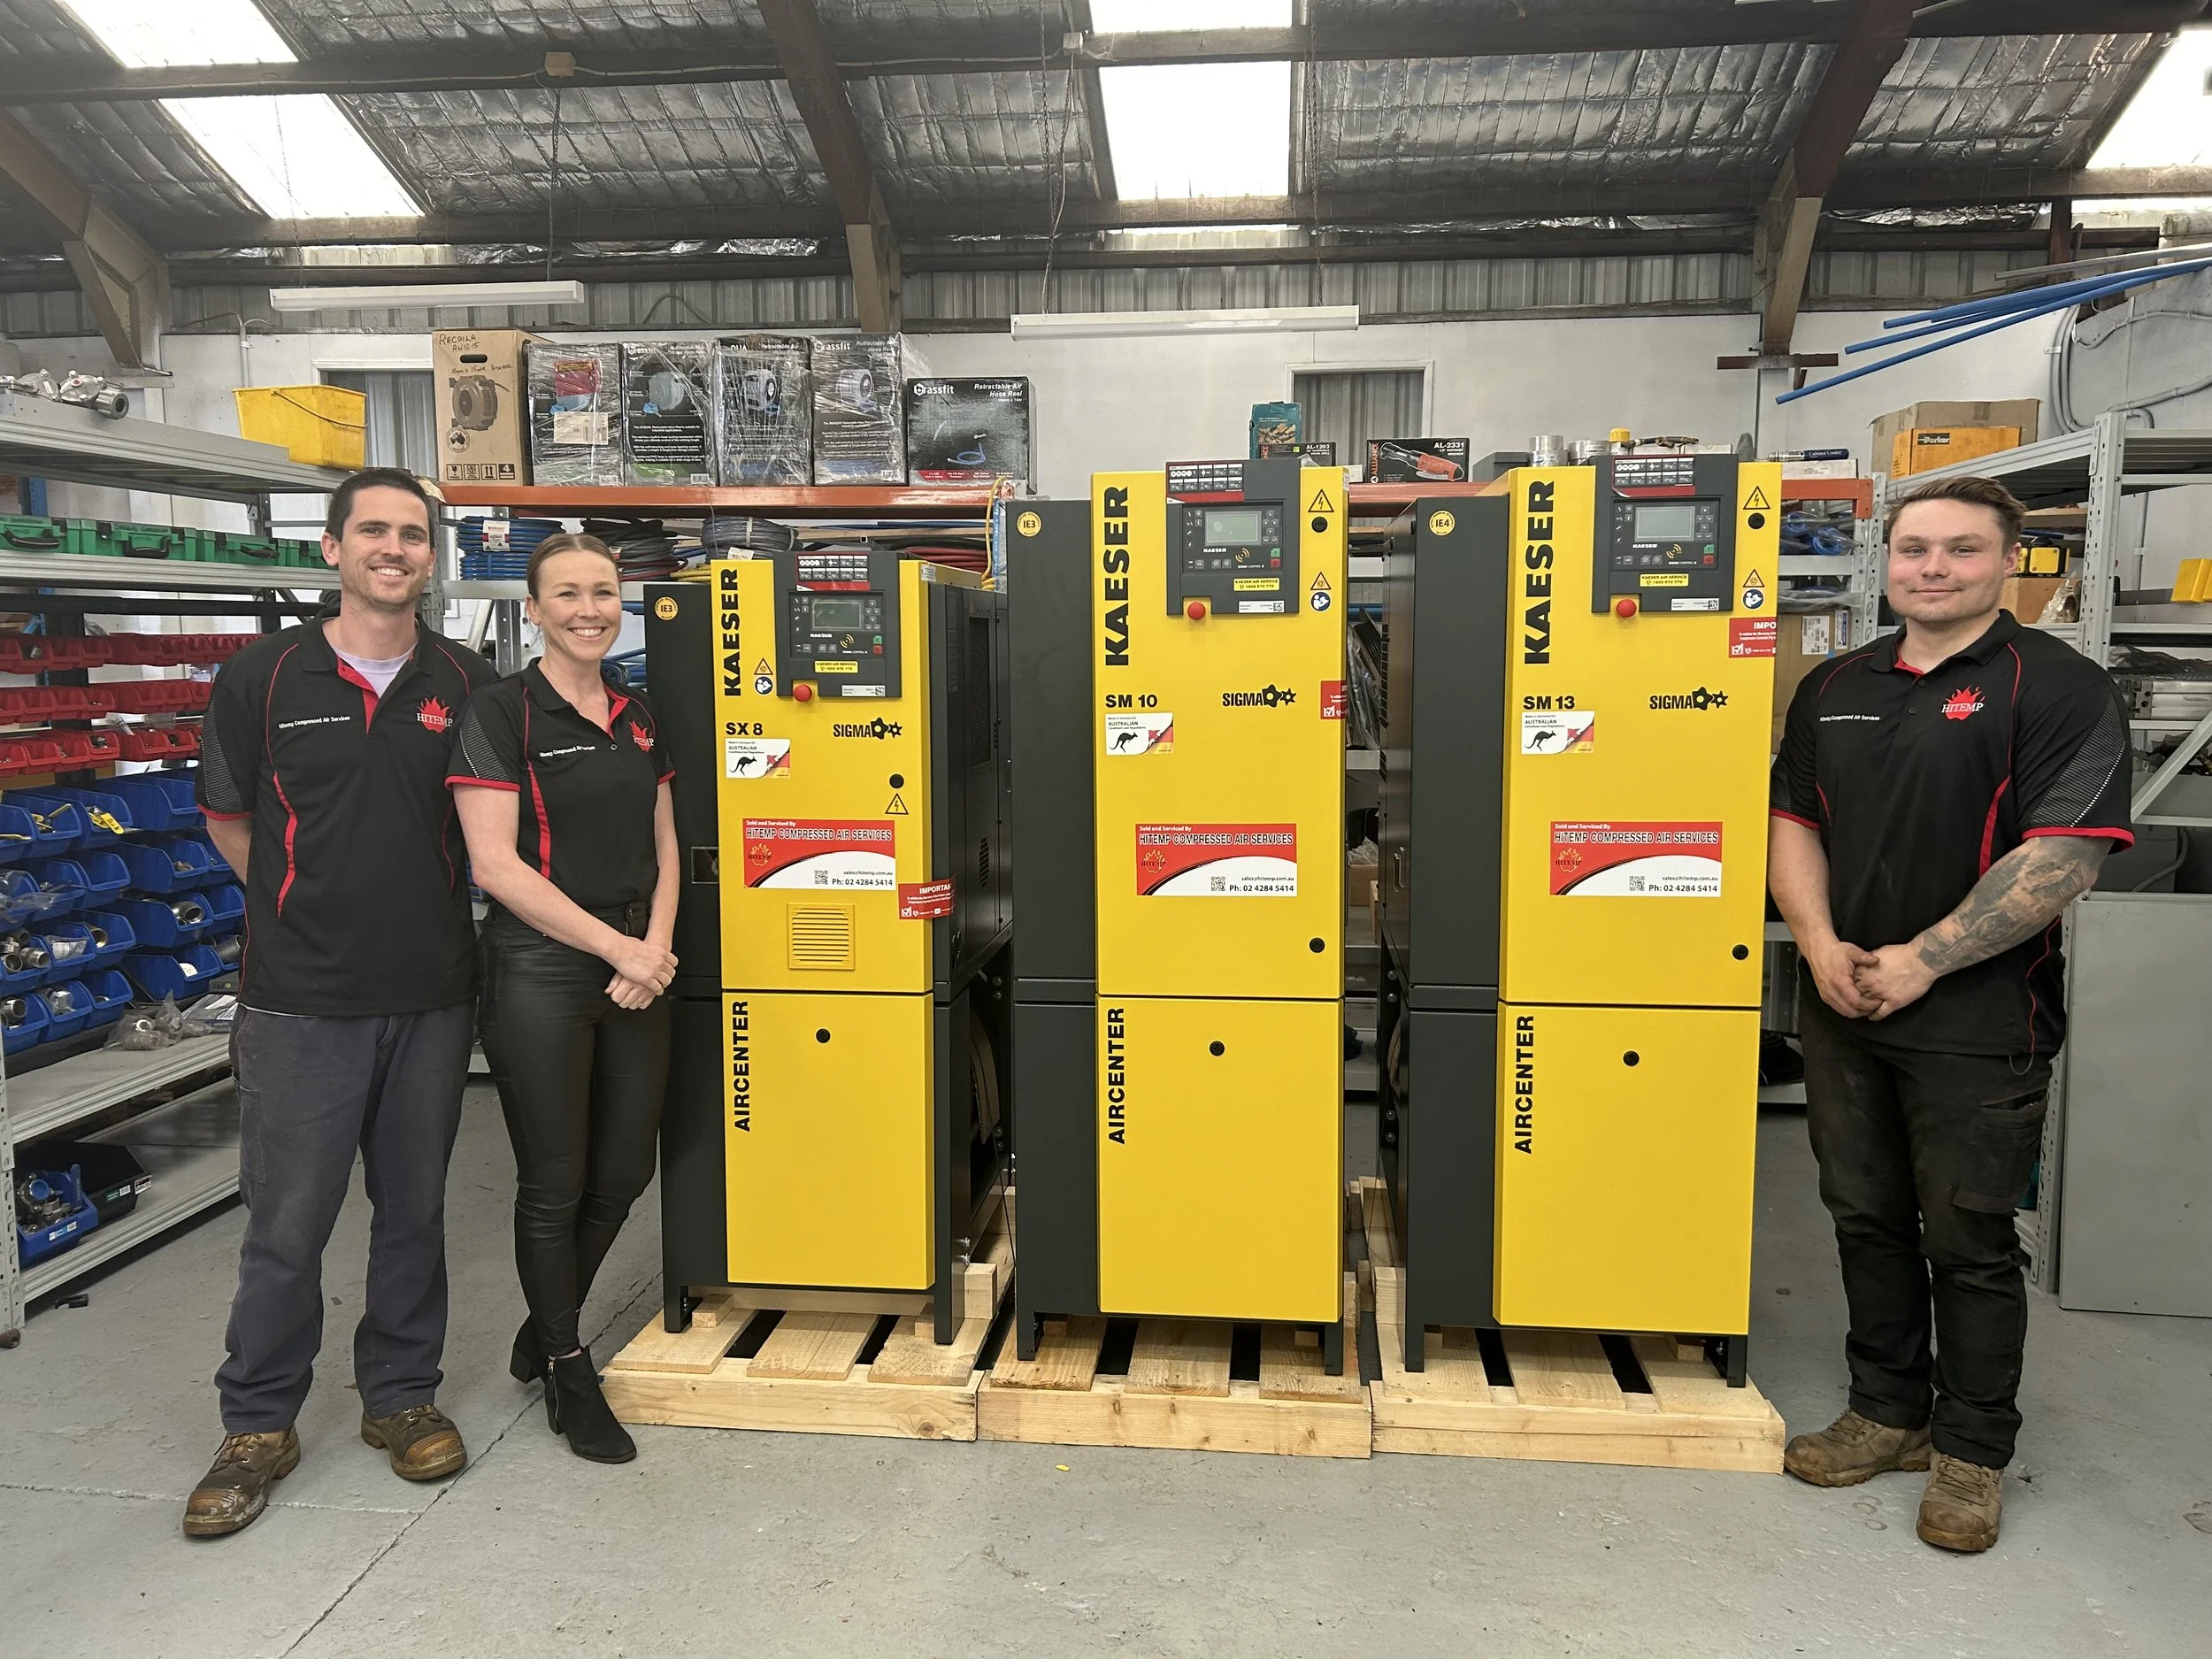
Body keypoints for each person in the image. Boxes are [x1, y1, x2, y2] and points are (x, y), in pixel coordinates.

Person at [1768, 474, 2133, 1554]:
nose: (1933, 568)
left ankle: (1971, 1453)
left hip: (1978, 1018)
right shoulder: (1836, 680)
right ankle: (1885, 1413)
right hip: (1844, 1000)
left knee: (1967, 1236)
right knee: (1862, 1214)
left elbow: (2062, 856)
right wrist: (1824, 948)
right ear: (1886, 561)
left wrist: (1923, 961)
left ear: (2007, 564)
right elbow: (1792, 820)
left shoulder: (2055, 685)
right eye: (1914, 548)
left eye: (1961, 551)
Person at [185, 468, 495, 1538]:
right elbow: (231, 823)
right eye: (375, 530)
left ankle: (401, 1397)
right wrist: (298, 910)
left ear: (430, 556)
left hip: (430, 994)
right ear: (331, 548)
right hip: (300, 1001)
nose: (395, 548)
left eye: (414, 534)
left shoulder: (466, 678)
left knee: (413, 1211)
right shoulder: (261, 676)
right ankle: (258, 1422)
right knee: (287, 1225)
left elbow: (486, 831)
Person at [448, 533, 679, 1463]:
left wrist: (653, 949)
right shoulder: (501, 713)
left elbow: (667, 844)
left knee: (624, 1173)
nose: (590, 609)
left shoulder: (638, 712)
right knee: (555, 1182)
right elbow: (494, 864)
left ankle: (543, 1327)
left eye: (604, 592)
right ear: (533, 610)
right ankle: (567, 1363)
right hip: (540, 968)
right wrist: (620, 946)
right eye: (567, 595)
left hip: (637, 962)